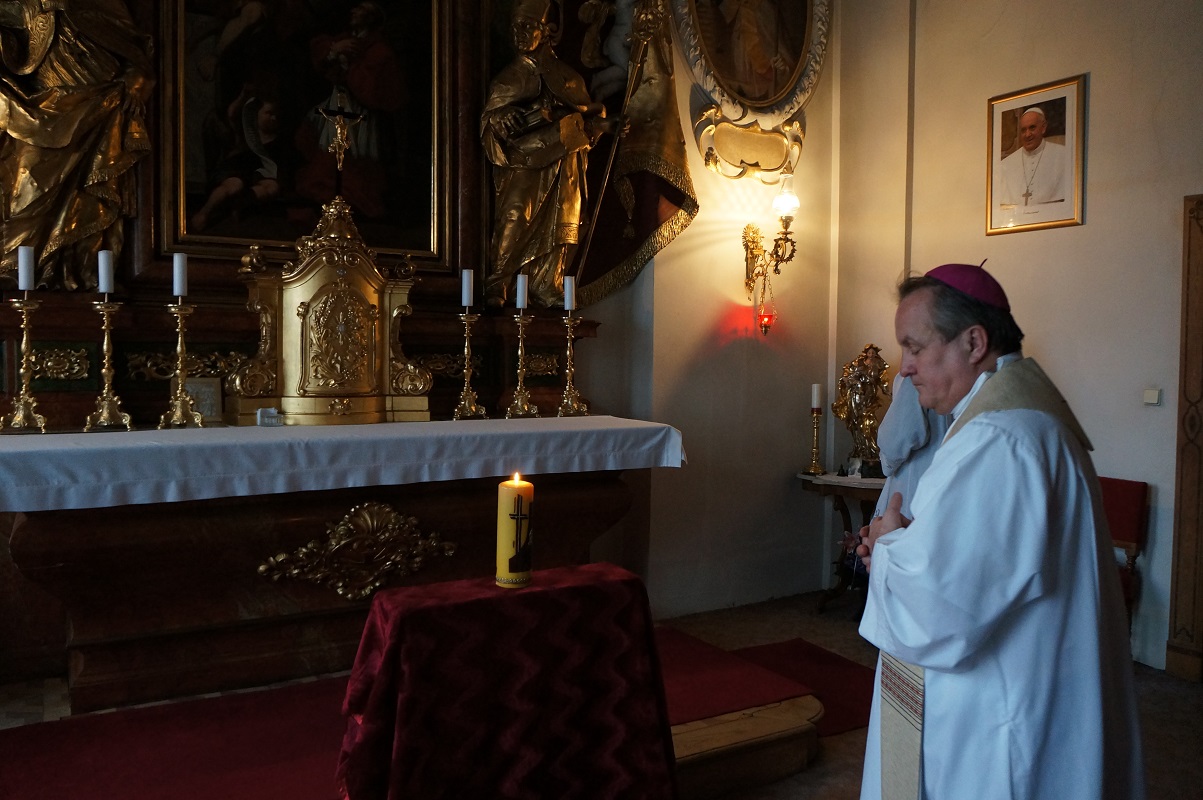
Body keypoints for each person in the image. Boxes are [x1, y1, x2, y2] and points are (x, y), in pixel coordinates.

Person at [855, 263, 1144, 800]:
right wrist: (916, 539)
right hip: (1037, 681)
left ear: (973, 342)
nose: (905, 367)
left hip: (1000, 716)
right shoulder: (1025, 422)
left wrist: (890, 544)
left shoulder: (997, 438)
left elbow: (940, 608)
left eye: (915, 347)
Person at [0, 0, 154, 291]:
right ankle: (18, 268)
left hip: (97, 104)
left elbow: (133, 47)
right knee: (27, 181)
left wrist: (136, 79)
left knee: (84, 194)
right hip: (41, 107)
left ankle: (74, 268)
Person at [480, 0, 613, 309]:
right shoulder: (507, 79)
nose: (519, 33)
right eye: (515, 27)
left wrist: (600, 126)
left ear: (547, 31)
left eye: (527, 26)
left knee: (563, 219)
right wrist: (499, 118)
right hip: (523, 161)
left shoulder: (570, 79)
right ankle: (500, 281)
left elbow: (588, 121)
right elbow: (489, 123)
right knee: (515, 216)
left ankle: (546, 283)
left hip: (564, 165)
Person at [996, 106, 1071, 211]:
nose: (1027, 134)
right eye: (1023, 130)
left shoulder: (1063, 155)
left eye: (1032, 128)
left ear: (1043, 127)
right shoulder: (1005, 165)